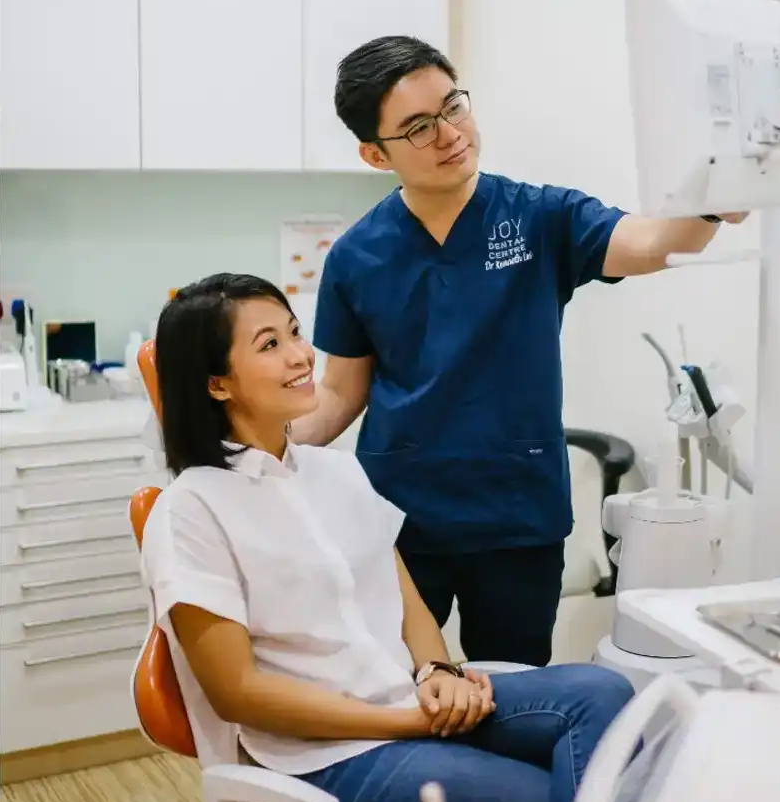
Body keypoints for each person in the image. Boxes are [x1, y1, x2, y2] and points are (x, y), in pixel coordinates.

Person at [291, 35, 748, 667]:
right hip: (400, 521)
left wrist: (711, 206)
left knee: (513, 695)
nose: (450, 133)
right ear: (375, 153)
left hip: (516, 516)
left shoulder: (540, 216)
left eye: (453, 107)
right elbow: (341, 390)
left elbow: (652, 243)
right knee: (398, 688)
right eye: (419, 127)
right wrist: (253, 455)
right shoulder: (355, 256)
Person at [141, 273, 635, 802]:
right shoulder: (192, 508)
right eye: (270, 345)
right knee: (549, 795)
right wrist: (406, 723)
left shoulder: (336, 472)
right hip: (326, 751)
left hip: (408, 699)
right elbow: (237, 692)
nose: (301, 356)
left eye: (294, 333)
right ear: (217, 384)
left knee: (604, 695)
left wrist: (438, 673)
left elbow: (405, 601)